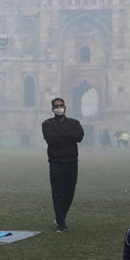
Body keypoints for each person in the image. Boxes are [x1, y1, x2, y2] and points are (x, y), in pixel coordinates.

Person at [41, 97, 84, 232]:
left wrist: (61, 133)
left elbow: (79, 137)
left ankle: (60, 217)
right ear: (53, 108)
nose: (59, 107)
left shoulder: (74, 122)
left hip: (72, 163)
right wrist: (69, 136)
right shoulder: (47, 124)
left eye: (61, 105)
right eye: (56, 106)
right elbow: (52, 140)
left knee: (69, 193)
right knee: (57, 193)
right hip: (56, 163)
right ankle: (61, 223)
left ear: (65, 107)